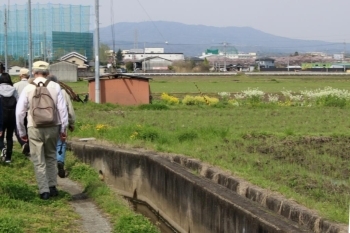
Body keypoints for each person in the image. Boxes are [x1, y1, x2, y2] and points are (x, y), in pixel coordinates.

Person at [16, 61, 68, 200]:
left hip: (34, 127)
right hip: (53, 126)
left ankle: (44, 191)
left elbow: (20, 112)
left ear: (33, 72)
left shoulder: (28, 88)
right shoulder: (55, 86)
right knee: (51, 156)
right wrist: (63, 129)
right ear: (47, 73)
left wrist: (22, 132)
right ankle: (52, 186)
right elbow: (62, 110)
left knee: (38, 159)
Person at [47, 75, 75, 178]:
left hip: (48, 123)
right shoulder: (63, 92)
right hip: (61, 122)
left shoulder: (44, 91)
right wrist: (71, 123)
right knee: (61, 143)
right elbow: (69, 109)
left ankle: (50, 167)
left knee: (50, 145)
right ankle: (60, 161)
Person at [0, 73, 19, 163]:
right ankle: (8, 158)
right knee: (9, 137)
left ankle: (2, 148)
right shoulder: (14, 90)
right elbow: (18, 103)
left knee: (0, 136)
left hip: (1, 116)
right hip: (12, 116)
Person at [14, 68, 30, 155]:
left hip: (19, 111)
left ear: (20, 76)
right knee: (29, 129)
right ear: (28, 76)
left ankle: (23, 143)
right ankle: (29, 146)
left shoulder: (15, 85)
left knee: (18, 129)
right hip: (30, 111)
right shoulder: (31, 85)